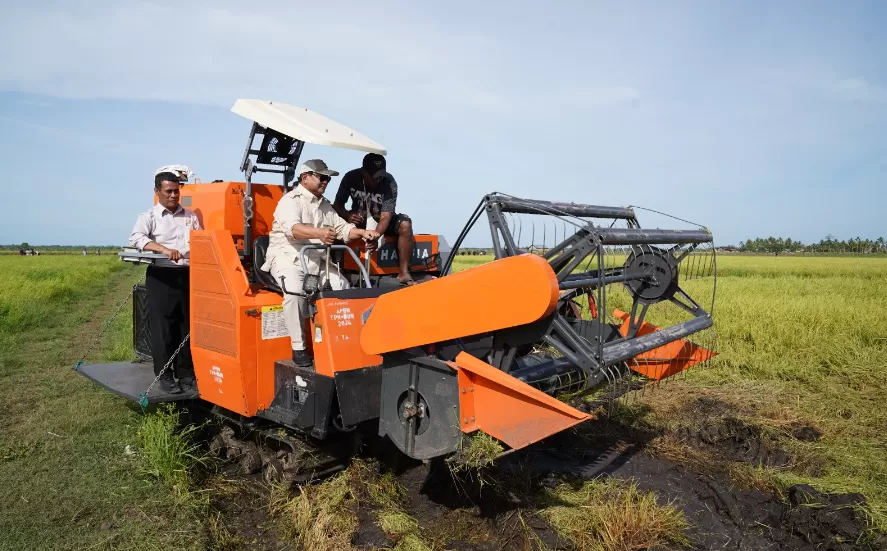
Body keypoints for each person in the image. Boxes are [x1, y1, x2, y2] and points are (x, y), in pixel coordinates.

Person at [261, 159, 379, 367]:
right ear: (305, 177)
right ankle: (299, 347)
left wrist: (362, 232)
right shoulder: (290, 201)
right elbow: (294, 230)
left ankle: (346, 342)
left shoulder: (325, 205)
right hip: (289, 257)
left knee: (343, 288)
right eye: (321, 177)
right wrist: (320, 233)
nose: (325, 181)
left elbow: (342, 230)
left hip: (317, 260)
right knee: (295, 292)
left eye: (328, 178)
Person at [129, 165, 201, 394]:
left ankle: (186, 373)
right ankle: (165, 375)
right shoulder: (148, 217)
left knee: (186, 326)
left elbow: (200, 240)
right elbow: (137, 238)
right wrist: (163, 249)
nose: (172, 196)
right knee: (164, 329)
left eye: (176, 191)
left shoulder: (190, 217)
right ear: (157, 191)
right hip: (162, 276)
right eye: (168, 191)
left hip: (187, 275)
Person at [333, 153, 416, 286]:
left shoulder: (389, 182)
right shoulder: (350, 177)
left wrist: (376, 235)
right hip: (359, 219)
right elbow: (337, 205)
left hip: (381, 220)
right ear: (363, 172)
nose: (378, 180)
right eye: (375, 177)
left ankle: (404, 273)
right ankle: (337, 269)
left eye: (381, 176)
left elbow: (386, 216)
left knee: (405, 224)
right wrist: (348, 215)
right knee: (335, 224)